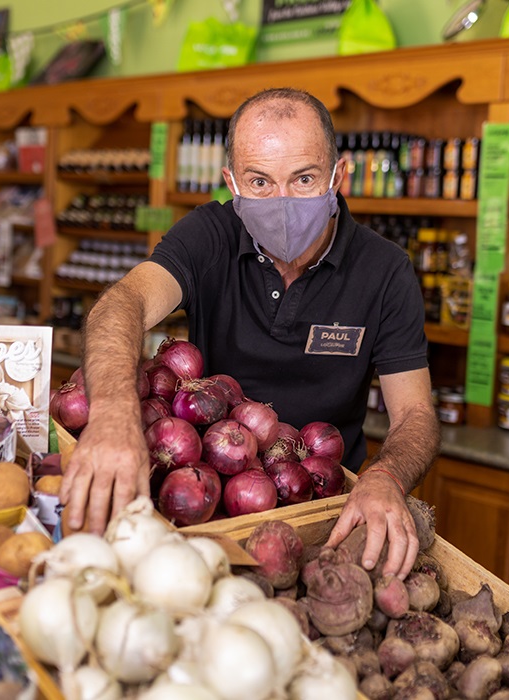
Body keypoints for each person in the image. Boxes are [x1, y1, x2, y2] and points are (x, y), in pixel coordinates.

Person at [61, 87, 439, 578]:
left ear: (337, 176)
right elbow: (121, 305)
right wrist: (112, 416)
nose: (281, 201)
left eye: (303, 178)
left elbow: (415, 413)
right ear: (232, 183)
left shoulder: (385, 271)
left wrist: (386, 476)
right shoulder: (210, 234)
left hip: (320, 506)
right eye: (259, 182)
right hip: (209, 498)